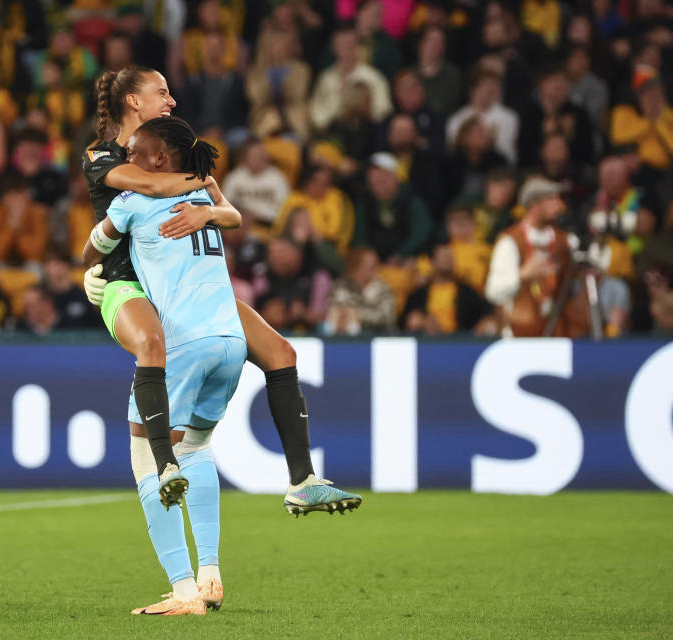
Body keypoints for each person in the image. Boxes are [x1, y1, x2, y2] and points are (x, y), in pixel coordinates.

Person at [85, 116, 361, 616]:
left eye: (136, 153)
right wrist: (211, 205)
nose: (127, 159)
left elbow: (92, 247)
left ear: (159, 159)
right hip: (231, 341)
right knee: (198, 444)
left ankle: (184, 591)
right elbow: (232, 215)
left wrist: (95, 262)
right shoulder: (207, 200)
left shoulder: (130, 199)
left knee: (150, 458)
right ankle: (211, 575)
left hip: (185, 342)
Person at [485, 177, 585, 337]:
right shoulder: (511, 241)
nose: (559, 205)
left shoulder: (564, 240)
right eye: (551, 199)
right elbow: (493, 291)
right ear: (534, 205)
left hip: (558, 331)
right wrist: (522, 275)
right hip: (520, 334)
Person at [403, 244, 496, 335]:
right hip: (428, 342)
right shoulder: (419, 294)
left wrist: (481, 326)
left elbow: (486, 314)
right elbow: (405, 321)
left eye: (451, 257)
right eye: (444, 257)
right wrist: (422, 321)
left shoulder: (466, 291)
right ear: (432, 262)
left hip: (459, 342)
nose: (449, 261)